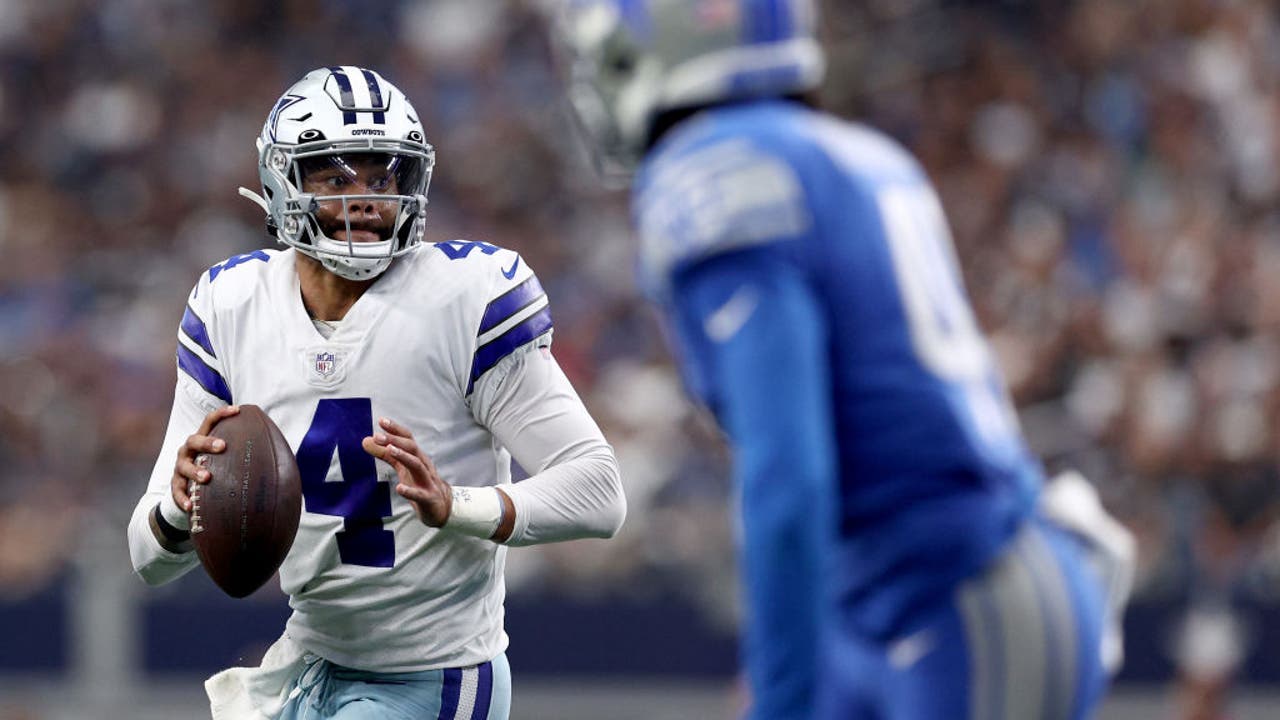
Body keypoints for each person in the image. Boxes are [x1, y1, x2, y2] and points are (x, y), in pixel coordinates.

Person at [557, 2, 1133, 719]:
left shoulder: (716, 169)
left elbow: (790, 479)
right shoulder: (849, 152)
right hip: (903, 594)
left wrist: (783, 695)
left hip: (956, 592)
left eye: (616, 58)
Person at [126, 65, 626, 720]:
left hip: (433, 676)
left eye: (382, 177)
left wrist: (459, 506)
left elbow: (598, 491)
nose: (366, 198)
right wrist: (179, 511)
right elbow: (148, 559)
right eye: (336, 177)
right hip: (310, 664)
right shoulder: (231, 304)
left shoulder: (466, 296)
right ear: (283, 182)